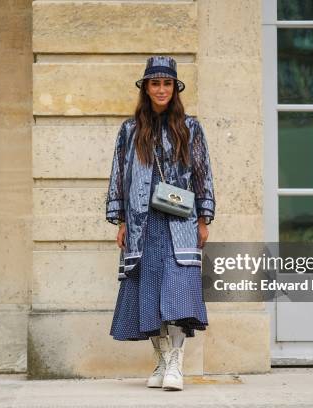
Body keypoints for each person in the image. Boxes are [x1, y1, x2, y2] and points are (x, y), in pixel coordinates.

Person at [105, 56, 216, 391]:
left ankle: (176, 367)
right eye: (155, 83)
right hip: (142, 223)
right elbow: (119, 176)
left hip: (180, 222)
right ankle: (162, 361)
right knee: (148, 292)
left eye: (167, 83)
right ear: (146, 88)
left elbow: (202, 172)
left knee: (178, 291)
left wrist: (204, 216)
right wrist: (121, 220)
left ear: (175, 88)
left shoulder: (191, 127)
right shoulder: (129, 130)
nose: (162, 89)